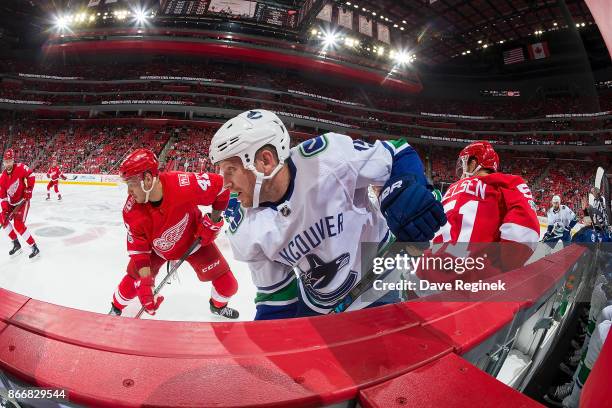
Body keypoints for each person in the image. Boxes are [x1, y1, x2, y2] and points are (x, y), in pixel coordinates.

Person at [211, 109, 446, 319]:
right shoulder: (243, 226)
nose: (225, 184)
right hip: (316, 301)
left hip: (379, 281)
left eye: (230, 170)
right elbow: (276, 298)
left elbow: (398, 152)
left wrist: (406, 187)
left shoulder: (329, 158)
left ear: (265, 161)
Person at [109, 148, 239, 319]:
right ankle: (115, 308)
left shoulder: (183, 184)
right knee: (131, 283)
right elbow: (139, 249)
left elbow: (221, 187)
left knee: (228, 285)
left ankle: (217, 306)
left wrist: (213, 221)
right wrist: (146, 283)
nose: (129, 192)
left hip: (194, 241)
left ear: (147, 179)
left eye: (131, 184)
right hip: (156, 249)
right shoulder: (131, 211)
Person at [419, 141, 541, 286]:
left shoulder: (451, 188)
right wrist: (503, 266)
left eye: (465, 162)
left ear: (474, 163)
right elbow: (525, 231)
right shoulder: (508, 182)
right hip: (473, 279)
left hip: (426, 271)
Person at [0, 148, 40, 258]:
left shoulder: (20, 167)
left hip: (23, 201)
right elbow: (3, 197)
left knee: (18, 224)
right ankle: (16, 243)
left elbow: (31, 175)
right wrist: (5, 210)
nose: (8, 163)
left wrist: (29, 189)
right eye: (6, 161)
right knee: (2, 218)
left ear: (13, 160)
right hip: (11, 203)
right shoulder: (2, 178)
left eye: (10, 161)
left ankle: (34, 246)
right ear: (4, 162)